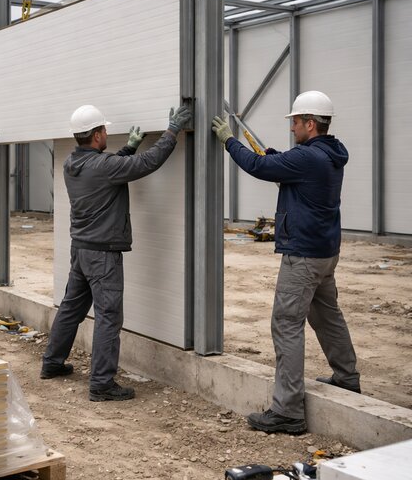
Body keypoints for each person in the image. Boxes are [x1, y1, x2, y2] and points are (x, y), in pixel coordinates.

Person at [211, 91, 361, 435]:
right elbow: (284, 165)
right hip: (325, 252)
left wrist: (230, 142)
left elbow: (259, 167)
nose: (292, 128)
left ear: (310, 123)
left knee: (286, 323)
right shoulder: (327, 155)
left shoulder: (308, 158)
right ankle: (347, 377)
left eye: (294, 122)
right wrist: (274, 157)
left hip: (304, 256)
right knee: (326, 315)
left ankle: (288, 411)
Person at [41, 103, 193, 402]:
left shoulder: (73, 164)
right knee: (108, 317)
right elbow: (147, 163)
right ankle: (101, 384)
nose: (107, 133)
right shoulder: (102, 166)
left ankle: (52, 363)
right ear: (97, 135)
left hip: (81, 251)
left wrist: (127, 149)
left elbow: (108, 171)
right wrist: (172, 131)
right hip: (103, 256)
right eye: (104, 130)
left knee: (71, 309)